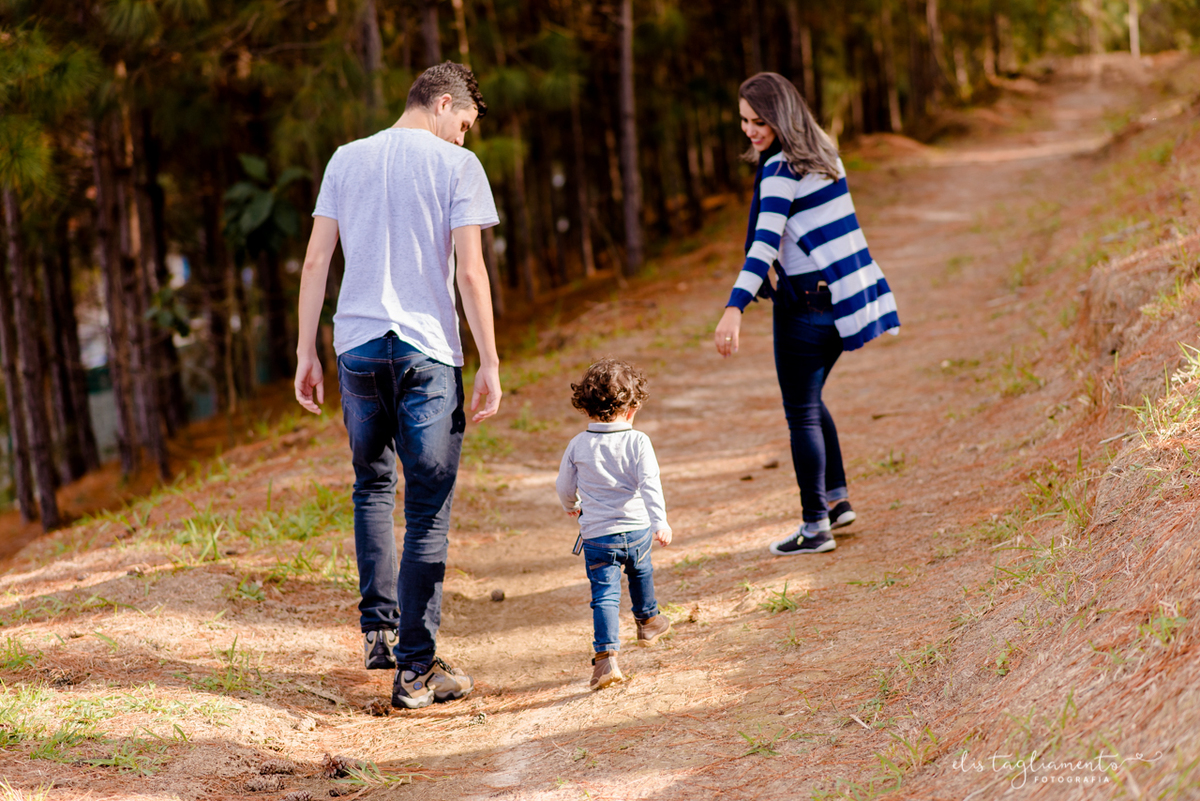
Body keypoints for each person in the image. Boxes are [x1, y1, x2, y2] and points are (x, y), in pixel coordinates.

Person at [293, 62, 502, 710]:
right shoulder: (457, 166)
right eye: (464, 124)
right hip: (425, 352)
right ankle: (415, 670)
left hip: (356, 349)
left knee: (373, 485)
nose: (464, 138)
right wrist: (490, 360)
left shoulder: (345, 158)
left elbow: (316, 260)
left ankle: (379, 632)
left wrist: (305, 351)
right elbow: (470, 273)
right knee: (428, 506)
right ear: (442, 104)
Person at [713, 72, 899, 557]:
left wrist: (734, 307)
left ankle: (815, 526)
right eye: (743, 121)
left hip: (805, 311)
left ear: (781, 116)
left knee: (801, 414)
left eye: (759, 121)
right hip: (843, 301)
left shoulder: (780, 171)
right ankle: (836, 501)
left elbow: (763, 247)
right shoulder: (824, 153)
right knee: (810, 402)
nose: (750, 130)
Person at [555, 359, 673, 690]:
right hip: (637, 531)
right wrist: (660, 521)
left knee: (605, 596)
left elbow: (564, 486)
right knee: (641, 571)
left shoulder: (578, 444)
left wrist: (571, 505)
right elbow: (650, 484)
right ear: (632, 408)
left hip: (597, 537)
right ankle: (648, 620)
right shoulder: (638, 441)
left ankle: (605, 660)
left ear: (586, 407)